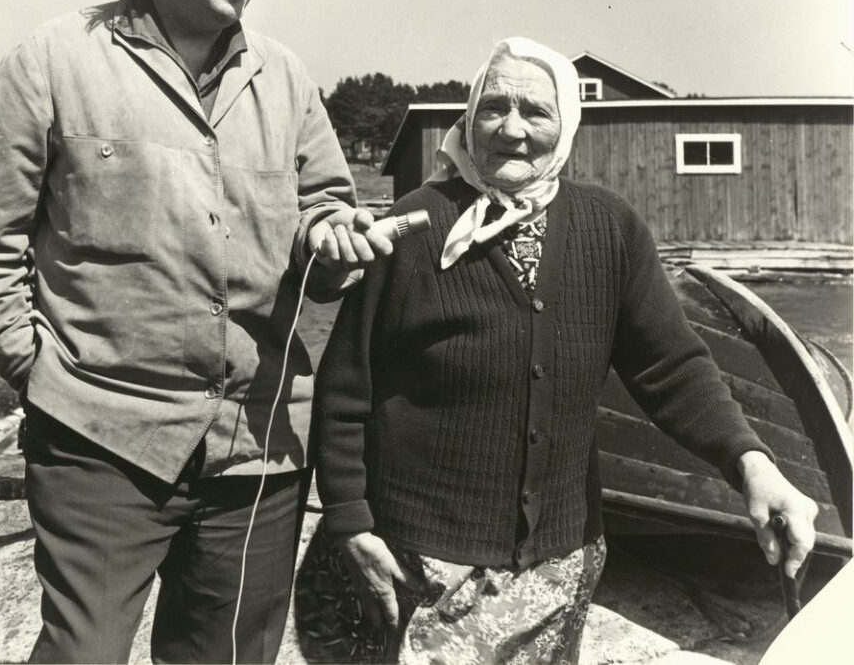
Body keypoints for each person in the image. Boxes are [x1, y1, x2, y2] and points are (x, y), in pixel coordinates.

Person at [0, 0, 390, 665]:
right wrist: (42, 376)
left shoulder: (286, 78)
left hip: (258, 448)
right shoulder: (53, 62)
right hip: (99, 444)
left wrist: (332, 238)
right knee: (83, 655)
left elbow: (325, 211)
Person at [312, 37, 819, 664]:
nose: (512, 129)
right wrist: (350, 522)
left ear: (567, 125)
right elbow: (344, 390)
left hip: (559, 563)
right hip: (421, 560)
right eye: (492, 107)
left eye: (535, 111)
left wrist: (754, 465)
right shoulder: (415, 226)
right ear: (467, 119)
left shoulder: (608, 228)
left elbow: (673, 367)